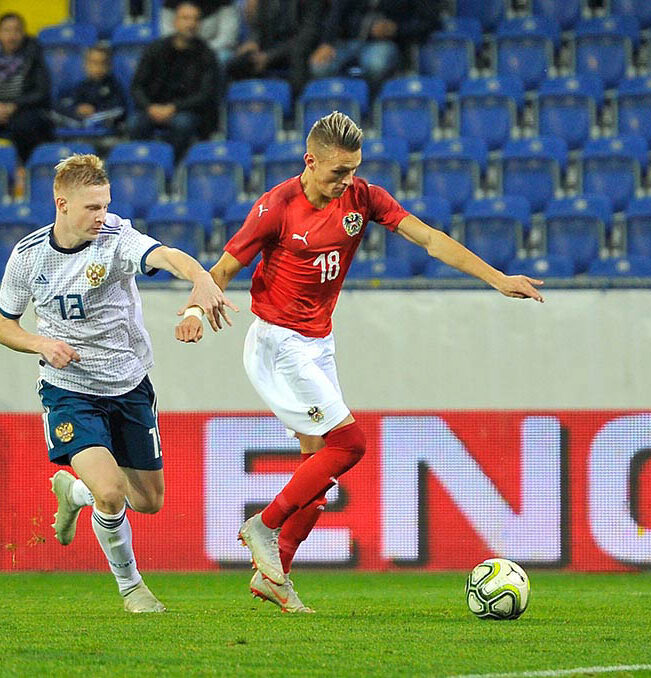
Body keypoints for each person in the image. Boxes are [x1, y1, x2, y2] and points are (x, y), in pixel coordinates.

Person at [175, 111, 544, 613]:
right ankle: (262, 527)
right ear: (310, 161)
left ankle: (275, 574)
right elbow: (221, 268)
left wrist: (497, 278)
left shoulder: (363, 197)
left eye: (353, 170)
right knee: (349, 443)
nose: (347, 181)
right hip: (278, 343)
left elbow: (430, 239)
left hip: (318, 344)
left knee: (318, 471)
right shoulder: (276, 207)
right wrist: (197, 306)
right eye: (337, 173)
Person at [0, 154, 237, 612]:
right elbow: (4, 323)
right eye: (91, 207)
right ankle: (132, 588)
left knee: (148, 501)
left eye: (105, 205)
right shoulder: (28, 257)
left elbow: (165, 255)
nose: (101, 216)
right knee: (111, 494)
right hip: (69, 388)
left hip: (129, 385)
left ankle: (74, 492)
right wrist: (39, 344)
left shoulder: (115, 240)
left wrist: (201, 279)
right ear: (61, 203)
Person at [130, 1, 220, 159]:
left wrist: (174, 107)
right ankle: (145, 165)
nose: (190, 24)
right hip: (153, 108)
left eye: (195, 19)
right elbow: (137, 86)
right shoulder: (155, 49)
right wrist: (149, 107)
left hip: (186, 111)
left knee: (182, 125)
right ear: (175, 21)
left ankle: (173, 166)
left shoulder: (206, 54)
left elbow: (205, 94)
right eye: (186, 18)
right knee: (135, 124)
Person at [309, 0, 440, 89]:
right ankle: (337, 110)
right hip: (349, 40)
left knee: (375, 64)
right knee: (320, 65)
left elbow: (430, 21)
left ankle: (371, 110)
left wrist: (396, 29)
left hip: (388, 42)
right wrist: (326, 43)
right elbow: (336, 14)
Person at [227, 0, 325, 97]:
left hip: (298, 49)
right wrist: (254, 42)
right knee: (236, 63)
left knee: (298, 56)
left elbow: (307, 36)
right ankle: (247, 104)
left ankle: (295, 106)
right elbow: (259, 28)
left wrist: (269, 57)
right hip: (268, 49)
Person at [0, 12, 53, 162]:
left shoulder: (33, 52)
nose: (12, 36)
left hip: (24, 108)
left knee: (26, 125)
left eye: (16, 30)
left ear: (23, 33)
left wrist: (14, 105)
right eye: (6, 30)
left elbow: (41, 91)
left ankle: (25, 168)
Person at [53, 45, 126, 132]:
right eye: (93, 63)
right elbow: (71, 103)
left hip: (102, 124)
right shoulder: (82, 85)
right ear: (85, 65)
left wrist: (94, 111)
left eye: (102, 63)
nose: (97, 68)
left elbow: (118, 108)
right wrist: (78, 109)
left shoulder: (113, 85)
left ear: (109, 66)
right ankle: (78, 123)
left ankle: (83, 123)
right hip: (79, 120)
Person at [160, 0, 240, 64]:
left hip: (214, 49)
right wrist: (186, 51)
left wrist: (202, 51)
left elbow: (227, 38)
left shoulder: (224, 3)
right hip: (180, 50)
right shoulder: (171, 3)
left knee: (221, 57)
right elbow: (168, 35)